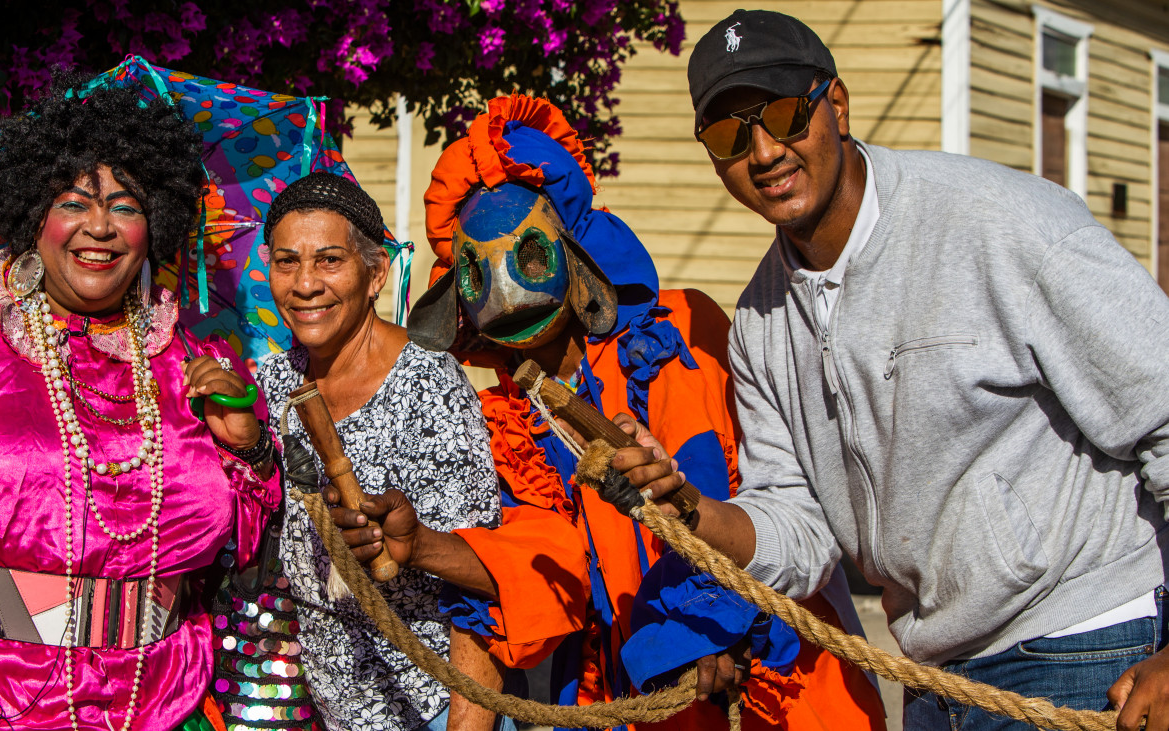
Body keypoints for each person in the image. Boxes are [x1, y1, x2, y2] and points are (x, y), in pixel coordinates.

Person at [619, 9, 1169, 731]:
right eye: (729, 134)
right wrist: (690, 509)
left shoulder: (1002, 224)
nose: (764, 151)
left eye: (784, 115)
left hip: (1083, 644)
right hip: (933, 675)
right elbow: (801, 532)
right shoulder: (760, 322)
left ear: (837, 105)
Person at [330, 95, 885, 731]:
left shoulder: (676, 336)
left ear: (572, 252)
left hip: (765, 685)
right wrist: (425, 546)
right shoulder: (509, 418)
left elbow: (725, 486)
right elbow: (546, 557)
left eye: (528, 257)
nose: (506, 292)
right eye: (480, 273)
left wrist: (700, 631)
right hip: (628, 691)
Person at [0, 75, 278, 730]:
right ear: (34, 213)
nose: (100, 227)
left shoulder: (186, 359)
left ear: (154, 225)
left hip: (157, 703)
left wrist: (249, 449)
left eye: (125, 207)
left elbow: (242, 545)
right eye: (74, 202)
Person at [252, 171, 505, 731]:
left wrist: (417, 546)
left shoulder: (427, 383)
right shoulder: (273, 384)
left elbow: (486, 580)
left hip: (432, 709)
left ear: (376, 273)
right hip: (323, 711)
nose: (305, 284)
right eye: (287, 262)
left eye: (329, 261)